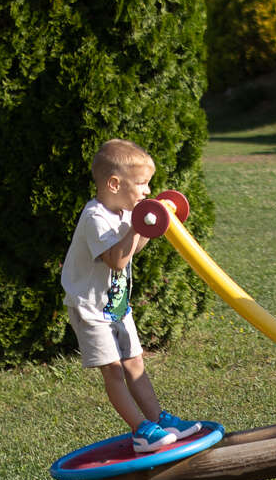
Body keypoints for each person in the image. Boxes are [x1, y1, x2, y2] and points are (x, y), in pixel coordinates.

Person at [61, 139, 207, 454]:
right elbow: (116, 260)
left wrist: (144, 225)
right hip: (91, 310)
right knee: (113, 369)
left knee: (135, 363)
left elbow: (131, 250)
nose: (146, 191)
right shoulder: (95, 217)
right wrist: (137, 223)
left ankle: (160, 420)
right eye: (141, 184)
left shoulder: (126, 212)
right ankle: (141, 430)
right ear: (114, 184)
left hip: (116, 308)